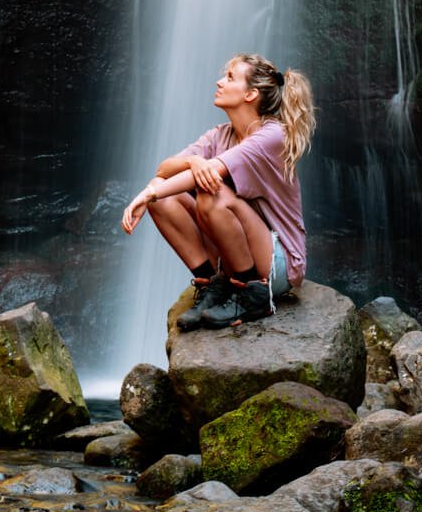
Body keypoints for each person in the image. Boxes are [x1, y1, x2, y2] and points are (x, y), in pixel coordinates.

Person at [120, 53, 315, 329]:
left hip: (279, 261)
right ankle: (214, 285)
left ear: (250, 94)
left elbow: (212, 172)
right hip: (239, 250)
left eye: (230, 77)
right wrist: (183, 168)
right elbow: (164, 169)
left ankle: (250, 293)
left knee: (211, 192)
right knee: (165, 199)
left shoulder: (271, 136)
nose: (219, 81)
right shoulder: (220, 135)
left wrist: (146, 194)